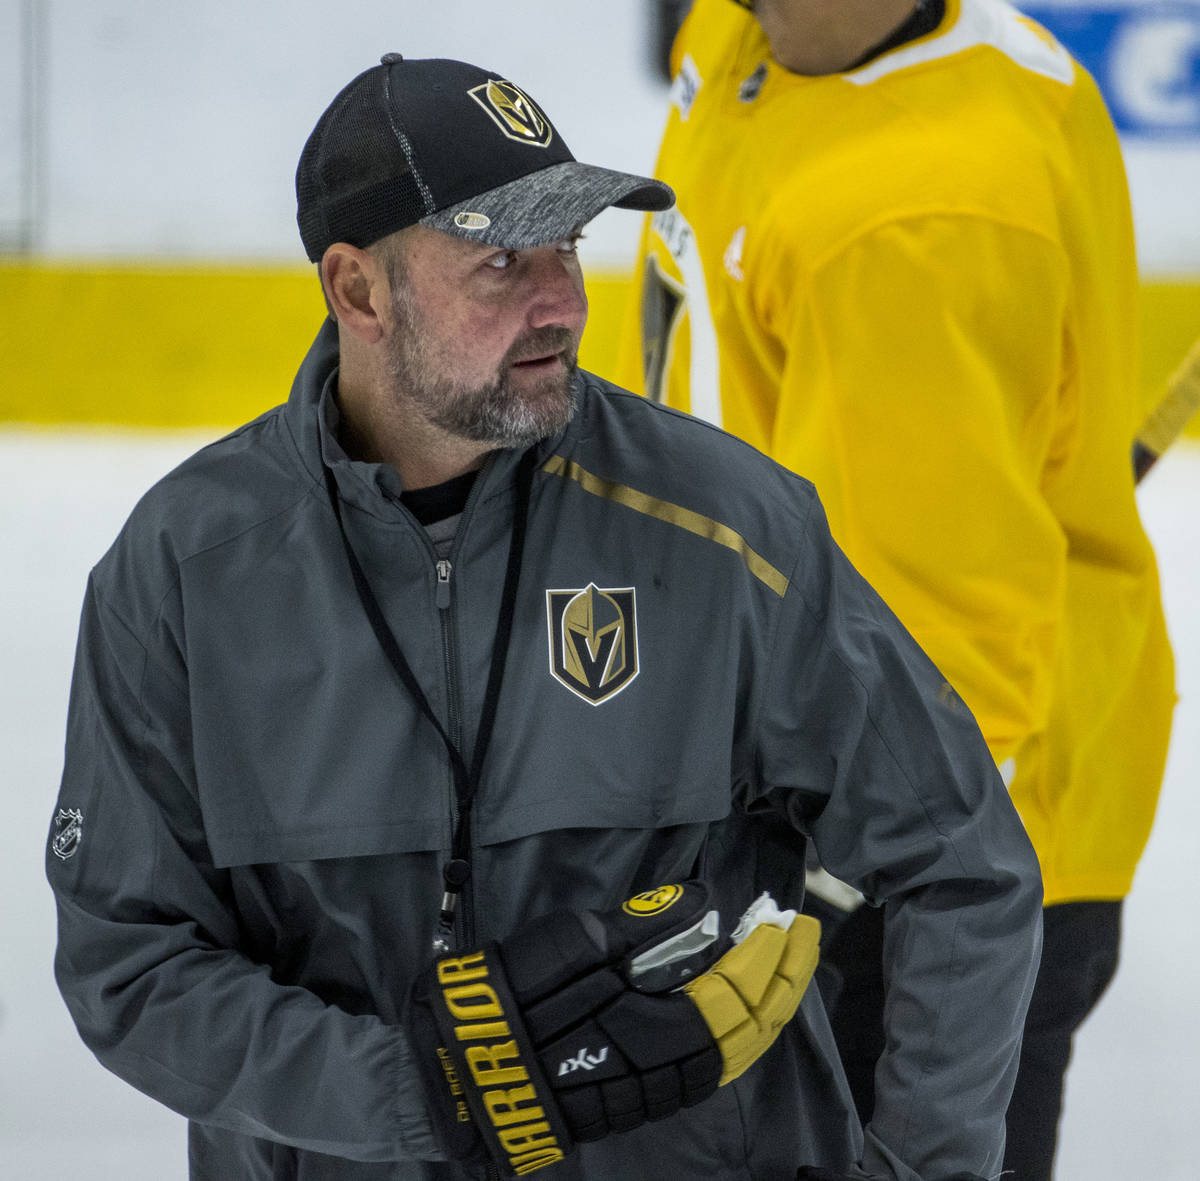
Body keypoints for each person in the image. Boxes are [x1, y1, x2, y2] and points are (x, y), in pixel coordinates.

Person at [46, 52, 1041, 1181]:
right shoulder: (184, 574)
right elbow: (128, 957)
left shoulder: (724, 531)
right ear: (359, 290)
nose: (561, 301)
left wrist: (924, 1168)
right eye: (501, 259)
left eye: (570, 246)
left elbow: (962, 863)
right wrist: (419, 1090)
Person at [619, 1, 1177, 1177]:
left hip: (915, 861)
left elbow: (950, 667)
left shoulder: (918, 215)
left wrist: (829, 897)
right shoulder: (744, 33)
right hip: (796, 762)